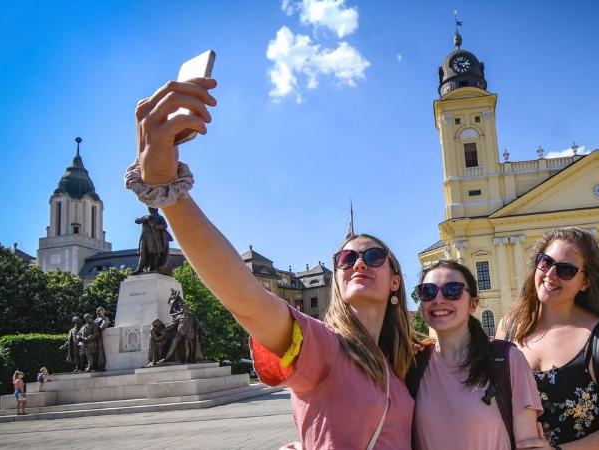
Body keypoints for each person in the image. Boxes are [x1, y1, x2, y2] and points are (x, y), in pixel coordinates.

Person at [131, 76, 416, 448]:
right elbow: (248, 301)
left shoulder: (403, 361)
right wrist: (169, 192)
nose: (358, 262)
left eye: (374, 256)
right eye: (346, 258)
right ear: (336, 280)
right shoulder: (325, 346)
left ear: (396, 280)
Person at [497, 228, 599, 449]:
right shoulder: (508, 329)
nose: (550, 274)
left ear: (585, 282)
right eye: (545, 262)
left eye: (566, 270)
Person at [410, 260, 547, 450]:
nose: (438, 299)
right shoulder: (414, 364)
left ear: (473, 305)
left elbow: (529, 445)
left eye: (452, 290)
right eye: (428, 291)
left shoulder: (507, 359)